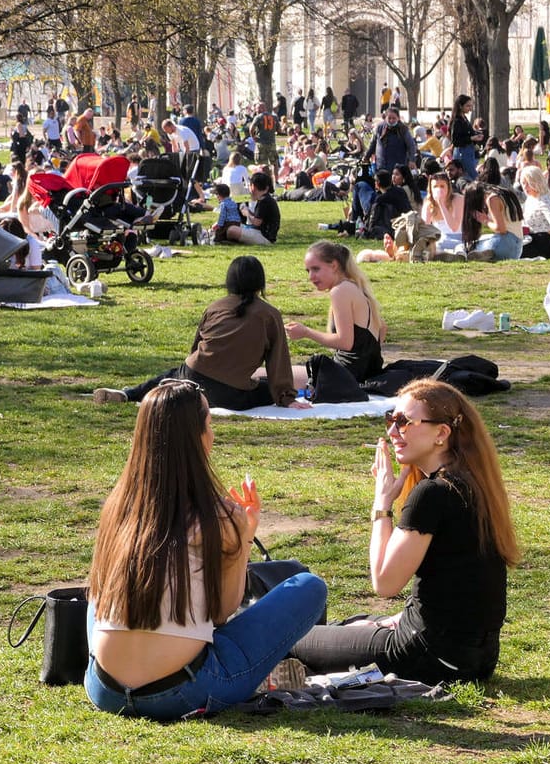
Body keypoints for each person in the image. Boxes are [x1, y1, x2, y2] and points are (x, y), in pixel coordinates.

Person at [83, 380, 327, 720]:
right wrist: (243, 537)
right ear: (197, 437)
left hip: (104, 690)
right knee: (310, 587)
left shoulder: (120, 507)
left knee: (101, 591)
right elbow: (224, 611)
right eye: (209, 424)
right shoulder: (218, 517)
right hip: (180, 692)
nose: (213, 434)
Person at [289, 380, 519, 684]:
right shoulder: (473, 483)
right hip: (475, 660)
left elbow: (385, 583)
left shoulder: (433, 493)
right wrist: (389, 622)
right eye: (390, 419)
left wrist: (382, 502)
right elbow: (455, 592)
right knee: (354, 624)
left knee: (285, 638)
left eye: (404, 422)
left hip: (426, 657)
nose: (392, 431)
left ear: (441, 433)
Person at [93, 256, 303, 411]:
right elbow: (278, 362)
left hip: (193, 375)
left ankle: (129, 394)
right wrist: (286, 397)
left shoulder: (215, 307)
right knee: (266, 389)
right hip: (231, 392)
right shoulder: (269, 315)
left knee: (170, 376)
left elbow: (196, 347)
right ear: (260, 282)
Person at [286, 241, 386, 382]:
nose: (311, 277)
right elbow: (382, 329)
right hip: (366, 372)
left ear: (334, 265)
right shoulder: (355, 286)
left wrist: (306, 332)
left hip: (346, 374)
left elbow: (345, 342)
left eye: (316, 269)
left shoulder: (340, 290)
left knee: (268, 376)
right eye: (308, 271)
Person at [518, 165, 550, 260]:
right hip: (529, 238)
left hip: (543, 241)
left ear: (536, 182)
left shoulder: (544, 200)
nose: (525, 187)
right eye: (523, 183)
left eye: (528, 183)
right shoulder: (529, 199)